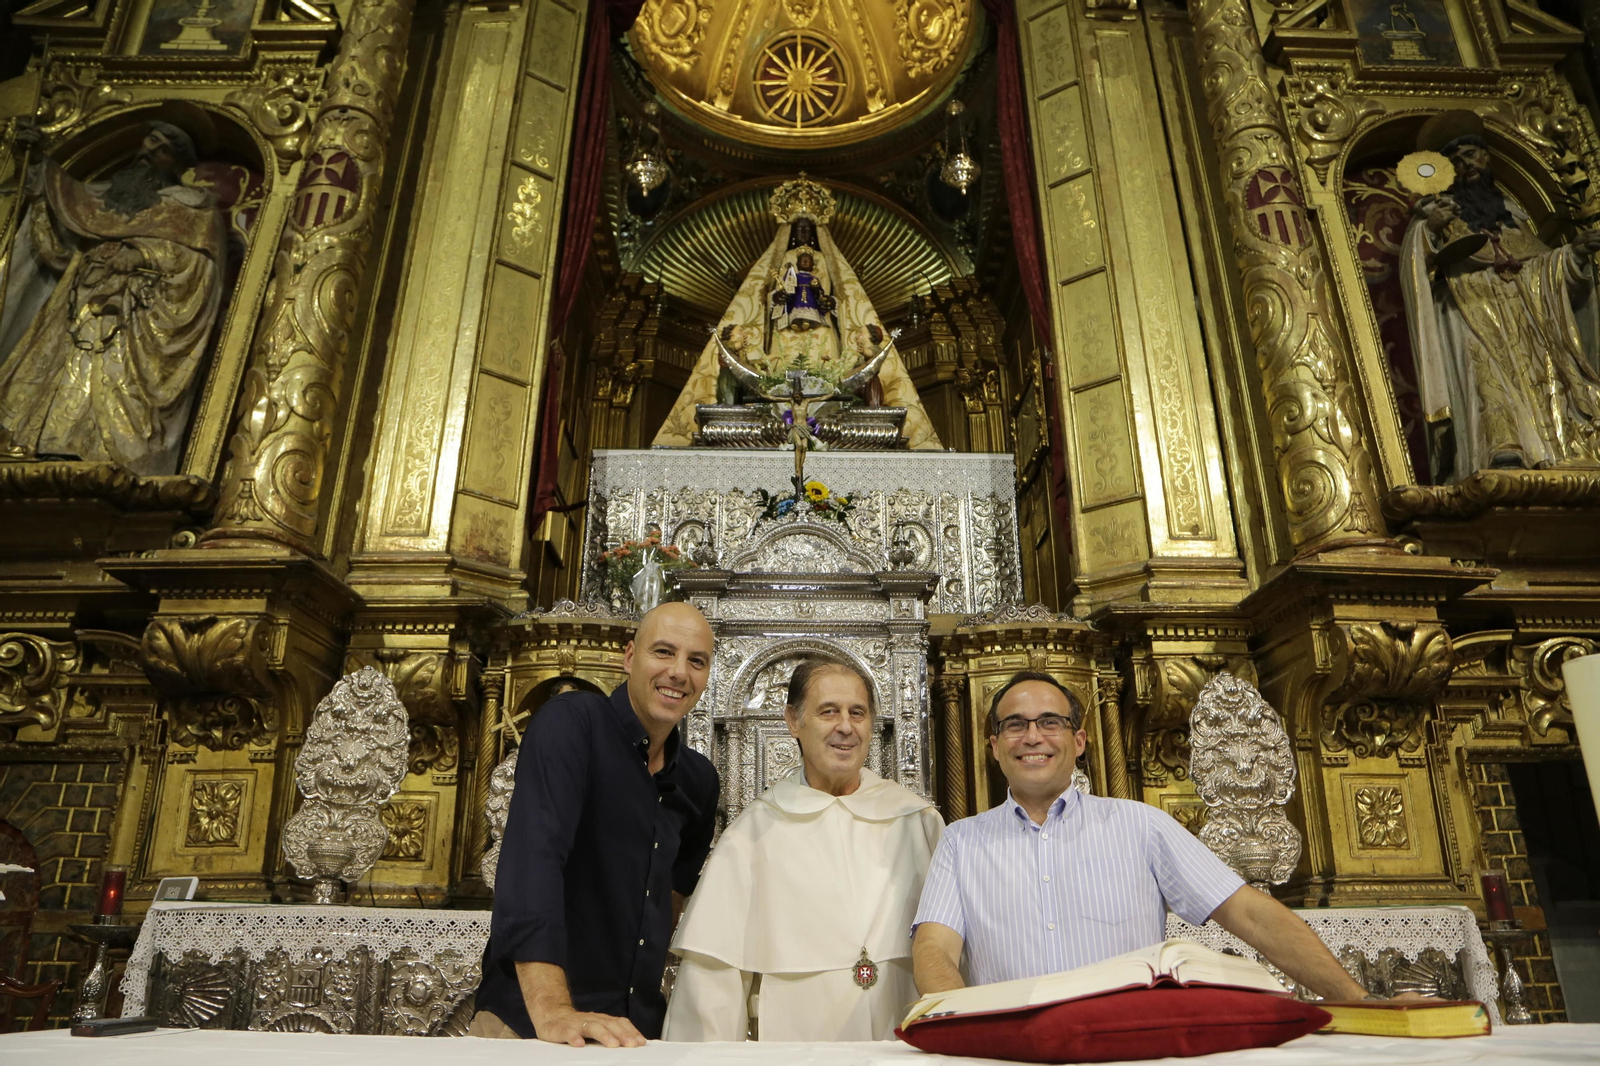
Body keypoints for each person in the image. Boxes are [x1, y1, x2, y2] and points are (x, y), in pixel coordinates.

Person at [912, 671, 1381, 1003]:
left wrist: (1358, 999)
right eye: (1015, 724)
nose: (1033, 736)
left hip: (1129, 1046)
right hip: (1013, 1052)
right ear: (995, 746)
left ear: (1078, 742)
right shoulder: (961, 842)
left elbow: (1251, 914)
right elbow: (934, 950)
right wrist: (968, 1032)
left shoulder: (1141, 826)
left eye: (1050, 722)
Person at [471, 602, 719, 1046]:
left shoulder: (698, 780)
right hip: (531, 1027)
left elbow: (674, 895)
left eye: (696, 661)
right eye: (664, 652)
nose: (679, 672)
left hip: (632, 1034)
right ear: (630, 657)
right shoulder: (572, 722)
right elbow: (533, 861)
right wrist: (554, 1010)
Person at [664, 657, 943, 1041]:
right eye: (828, 711)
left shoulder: (917, 822)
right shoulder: (753, 835)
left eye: (857, 713)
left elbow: (956, 957)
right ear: (793, 721)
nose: (845, 726)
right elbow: (712, 984)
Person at [0, 120, 225, 474]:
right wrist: (33, 163)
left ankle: (90, 453)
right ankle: (29, 444)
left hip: (135, 320)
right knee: (48, 376)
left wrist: (144, 255)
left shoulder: (190, 209)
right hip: (74, 306)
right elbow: (60, 225)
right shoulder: (105, 198)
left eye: (164, 150)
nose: (151, 151)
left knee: (111, 383)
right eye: (151, 140)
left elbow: (201, 267)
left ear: (178, 166)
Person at [1399, 113, 1600, 482]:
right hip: (1469, 309)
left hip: (1528, 312)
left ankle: (1562, 447)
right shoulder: (1437, 214)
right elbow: (1416, 272)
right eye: (1455, 161)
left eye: (1471, 155)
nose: (1466, 165)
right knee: (1486, 375)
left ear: (1486, 157)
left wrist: (1574, 254)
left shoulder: (1512, 216)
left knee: (1547, 370)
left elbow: (1541, 266)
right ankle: (1502, 447)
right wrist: (1430, 231)